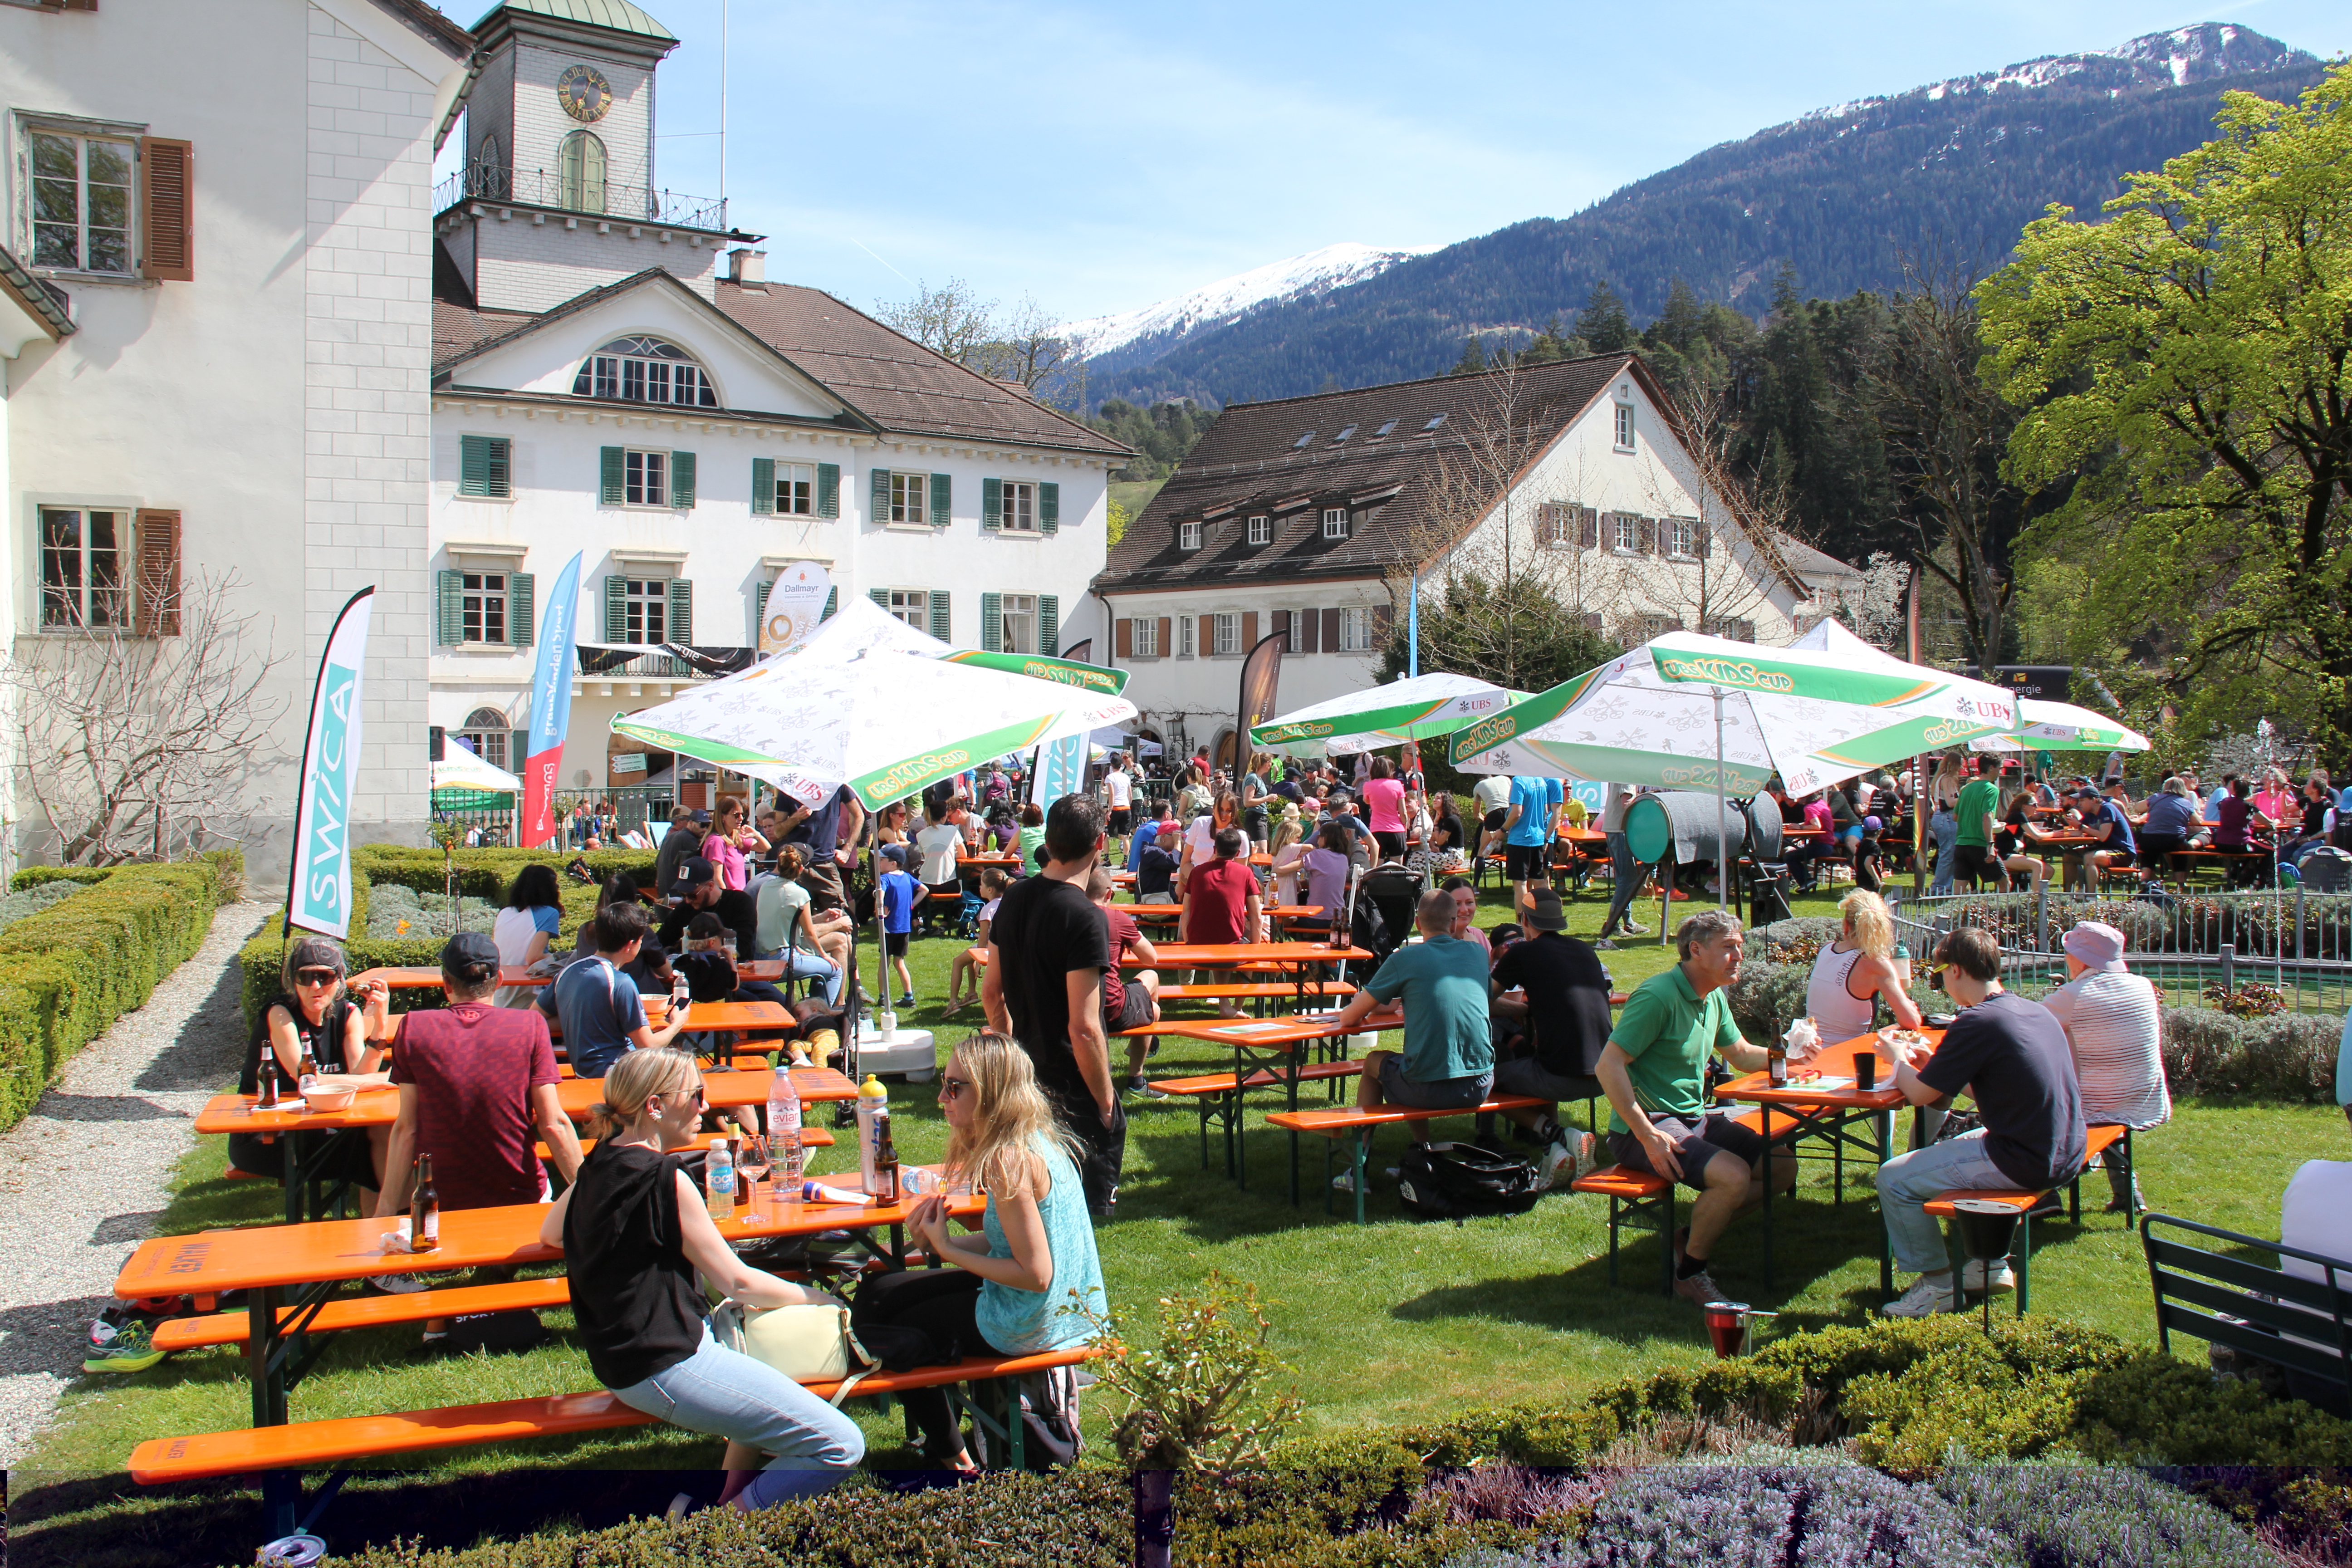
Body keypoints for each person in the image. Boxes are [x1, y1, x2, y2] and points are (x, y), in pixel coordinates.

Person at [540, 1048, 863, 1507]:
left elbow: (551, 1233)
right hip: (667, 1362)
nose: (705, 1107)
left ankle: (727, 1495)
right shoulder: (665, 1179)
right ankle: (720, 1525)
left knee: (768, 1360)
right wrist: (817, 1298)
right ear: (655, 1106)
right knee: (841, 1445)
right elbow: (738, 1283)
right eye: (695, 1095)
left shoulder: (599, 1162)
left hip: (625, 1360)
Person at [885, 1032, 1107, 1470]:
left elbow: (1035, 1274)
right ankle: (952, 1446)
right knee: (881, 1293)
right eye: (944, 1084)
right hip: (1056, 1309)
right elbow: (1008, 1240)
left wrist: (947, 1248)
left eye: (954, 1087)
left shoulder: (1009, 1161)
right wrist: (939, 1243)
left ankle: (956, 1460)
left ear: (990, 1092)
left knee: (894, 1331)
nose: (941, 1098)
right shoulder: (1035, 1139)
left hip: (1027, 1322)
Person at [1875, 927, 2087, 1316]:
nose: (1939, 982)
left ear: (1955, 970)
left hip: (2025, 1158)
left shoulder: (1976, 1021)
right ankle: (1986, 1266)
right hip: (2066, 1149)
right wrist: (1934, 1068)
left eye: (1938, 973)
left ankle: (1939, 1286)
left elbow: (1919, 1096)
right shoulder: (2032, 1010)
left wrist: (1897, 1059)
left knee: (1894, 1179)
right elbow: (1998, 1085)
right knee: (1947, 1151)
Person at [376, 933, 586, 1309]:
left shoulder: (413, 1027)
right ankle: (500, 1272)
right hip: (520, 1194)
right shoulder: (530, 1027)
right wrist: (595, 1196)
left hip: (442, 1202)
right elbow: (553, 1124)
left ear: (446, 983)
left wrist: (382, 1216)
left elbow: (407, 1128)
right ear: (500, 979)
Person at [1597, 909, 1796, 1306]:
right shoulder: (1657, 996)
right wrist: (1646, 1135)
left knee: (1781, 1166)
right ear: (1696, 950)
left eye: (1740, 947)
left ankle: (1687, 1239)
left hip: (1694, 1117)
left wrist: (1793, 1054)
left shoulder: (1714, 996)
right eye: (1729, 947)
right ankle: (1689, 1273)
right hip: (1644, 1129)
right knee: (1733, 1177)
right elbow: (1608, 1065)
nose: (1739, 956)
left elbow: (1741, 1054)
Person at [984, 794, 1123, 1216]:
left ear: (1047, 840)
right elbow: (1084, 1027)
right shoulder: (1085, 916)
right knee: (1074, 1215)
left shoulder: (1014, 898)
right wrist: (1106, 1102)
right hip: (1071, 1081)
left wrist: (1011, 1056)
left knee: (1034, 1202)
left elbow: (992, 992)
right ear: (1100, 842)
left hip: (1026, 1073)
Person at [1324, 891, 1493, 1169]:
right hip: (1481, 1083)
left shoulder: (1405, 958)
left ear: (1417, 923)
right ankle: (1423, 1154)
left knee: (1374, 1062)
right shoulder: (1477, 952)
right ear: (1453, 922)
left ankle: (1358, 1168)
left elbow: (1350, 1018)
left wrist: (1361, 1006)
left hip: (1428, 1088)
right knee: (1415, 1063)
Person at [231, 939, 392, 1202]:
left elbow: (362, 1074)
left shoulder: (347, 1013)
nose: (315, 987)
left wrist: (381, 1023)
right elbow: (308, 1081)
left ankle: (386, 1218)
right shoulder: (280, 1013)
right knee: (381, 1148)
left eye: (324, 977)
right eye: (305, 977)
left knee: (386, 1136)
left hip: (320, 1125)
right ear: (293, 981)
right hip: (266, 1134)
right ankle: (392, 1215)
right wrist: (380, 1081)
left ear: (339, 980)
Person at [2038, 920, 2168, 1213]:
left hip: (2098, 1099)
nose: (2066, 959)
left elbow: (2029, 1025)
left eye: (2068, 953)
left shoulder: (2076, 995)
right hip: (2141, 1095)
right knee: (2107, 1105)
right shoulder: (2142, 986)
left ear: (2081, 959)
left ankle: (2045, 1194)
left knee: (2033, 1097)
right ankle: (2128, 1193)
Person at [1489, 889, 1611, 1186]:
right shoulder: (1585, 950)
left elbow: (1482, 999)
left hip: (1559, 1077)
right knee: (1541, 1059)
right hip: (1607, 1076)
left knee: (1485, 1083)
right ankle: (1554, 1151)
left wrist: (1520, 1009)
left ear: (1525, 920)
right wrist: (1530, 1010)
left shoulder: (1523, 953)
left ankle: (1556, 1134)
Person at [540, 902, 689, 1079]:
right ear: (630, 945)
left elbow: (536, 1017)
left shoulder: (567, 972)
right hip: (619, 1079)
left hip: (583, 1073)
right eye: (641, 940)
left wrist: (577, 1018)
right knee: (685, 1069)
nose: (642, 944)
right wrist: (677, 1024)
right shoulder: (621, 983)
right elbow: (648, 1045)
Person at [1803, 891, 1924, 1050]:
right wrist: (1910, 1008)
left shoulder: (1826, 950)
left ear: (1846, 925)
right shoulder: (1876, 964)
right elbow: (1911, 1022)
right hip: (1848, 1056)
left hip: (1809, 1051)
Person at [1089, 868, 1164, 1093]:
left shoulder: (1066, 916)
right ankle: (1136, 1081)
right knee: (1154, 1006)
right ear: (1109, 894)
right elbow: (1151, 958)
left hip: (1073, 1006)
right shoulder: (1116, 918)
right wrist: (1127, 940)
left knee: (1150, 986)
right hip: (1111, 1008)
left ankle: (1148, 1038)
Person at [753, 845, 846, 1004]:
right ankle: (821, 1012)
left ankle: (813, 1007)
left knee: (821, 966)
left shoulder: (765, 887)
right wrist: (823, 955)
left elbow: (784, 921)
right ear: (801, 869)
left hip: (760, 955)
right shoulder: (800, 894)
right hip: (783, 959)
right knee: (836, 970)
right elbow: (809, 934)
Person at [658, 857, 759, 964]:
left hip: (736, 968)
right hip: (695, 970)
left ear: (710, 886)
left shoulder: (739, 902)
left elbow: (742, 946)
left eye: (692, 895)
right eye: (683, 895)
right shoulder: (685, 908)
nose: (687, 900)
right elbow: (661, 940)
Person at [490, 864, 565, 1008]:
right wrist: (559, 958)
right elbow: (534, 957)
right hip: (529, 996)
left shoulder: (505, 913)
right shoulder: (549, 913)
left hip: (500, 995)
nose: (558, 887)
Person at [1184, 826, 1263, 961]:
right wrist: (1255, 954)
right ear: (1238, 853)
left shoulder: (1197, 872)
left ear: (1215, 850)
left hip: (1197, 947)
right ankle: (1247, 975)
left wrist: (1188, 944)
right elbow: (1256, 916)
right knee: (1246, 947)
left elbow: (1186, 911)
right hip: (1232, 947)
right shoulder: (1246, 873)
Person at [946, 867, 1012, 1016]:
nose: (979, 888)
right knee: (970, 954)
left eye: (981, 885)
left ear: (990, 889)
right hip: (1007, 947)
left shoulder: (987, 909)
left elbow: (983, 941)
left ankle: (953, 1002)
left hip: (990, 948)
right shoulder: (1010, 904)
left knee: (958, 962)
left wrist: (979, 963)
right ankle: (971, 993)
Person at [1597, 783, 1652, 946]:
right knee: (1627, 880)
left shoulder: (1624, 774)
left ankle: (1628, 922)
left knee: (1626, 879)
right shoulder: (1628, 777)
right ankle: (1612, 924)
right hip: (1620, 830)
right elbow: (1626, 803)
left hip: (1617, 829)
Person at [1503, 773, 1563, 922]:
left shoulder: (1519, 780)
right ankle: (1547, 919)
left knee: (1520, 884)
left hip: (1520, 839)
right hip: (1538, 837)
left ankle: (1522, 923)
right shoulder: (1541, 781)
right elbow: (1546, 811)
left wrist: (1503, 829)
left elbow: (1516, 813)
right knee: (1540, 881)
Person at [876, 843, 924, 1008]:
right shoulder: (908, 877)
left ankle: (883, 997)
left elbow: (880, 893)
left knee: (885, 962)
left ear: (893, 863)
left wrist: (879, 910)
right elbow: (924, 890)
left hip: (888, 928)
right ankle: (909, 997)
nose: (879, 863)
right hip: (904, 928)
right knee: (899, 962)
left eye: (882, 860)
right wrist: (912, 905)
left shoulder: (885, 879)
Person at [1297, 822, 1353, 933]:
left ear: (1326, 838)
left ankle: (1308, 938)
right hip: (1338, 919)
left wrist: (1277, 869)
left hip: (1315, 919)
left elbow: (1290, 867)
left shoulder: (1317, 855)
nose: (1317, 840)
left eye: (1319, 836)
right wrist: (1305, 881)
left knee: (1289, 917)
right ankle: (1314, 938)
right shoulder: (1343, 859)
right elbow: (1326, 877)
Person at [1954, 764, 2001, 890]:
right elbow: (1987, 816)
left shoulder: (1966, 788)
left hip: (1961, 844)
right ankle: (2005, 905)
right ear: (1991, 768)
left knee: (1959, 887)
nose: (2000, 772)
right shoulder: (1991, 789)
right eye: (1999, 769)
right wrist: (1990, 844)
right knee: (2004, 883)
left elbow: (1955, 816)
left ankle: (1953, 904)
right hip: (1979, 844)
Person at [914, 803, 969, 911]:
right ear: (944, 817)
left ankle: (919, 918)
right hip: (950, 884)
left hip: (927, 884)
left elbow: (927, 856)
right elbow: (964, 854)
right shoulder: (953, 830)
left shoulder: (920, 835)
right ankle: (948, 918)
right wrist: (950, 854)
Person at [706, 798, 766, 892]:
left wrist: (757, 835)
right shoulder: (717, 841)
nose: (741, 818)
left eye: (743, 815)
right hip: (730, 897)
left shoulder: (736, 839)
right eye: (736, 815)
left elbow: (765, 848)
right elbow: (717, 879)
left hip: (740, 896)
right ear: (722, 817)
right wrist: (727, 898)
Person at [654, 808, 711, 902]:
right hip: (677, 896)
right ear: (690, 823)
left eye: (708, 826)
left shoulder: (671, 837)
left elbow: (657, 863)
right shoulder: (688, 839)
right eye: (702, 825)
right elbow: (701, 869)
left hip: (665, 893)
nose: (705, 829)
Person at [1362, 756, 1407, 861]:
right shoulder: (1397, 784)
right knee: (1397, 867)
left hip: (1377, 829)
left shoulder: (1368, 785)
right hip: (1396, 829)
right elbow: (1403, 812)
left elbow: (1366, 801)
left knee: (1377, 867)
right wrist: (1405, 826)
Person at [1442, 875, 1492, 963]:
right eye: (1457, 904)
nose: (1464, 910)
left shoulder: (1478, 935)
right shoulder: (1438, 942)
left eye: (1469, 903)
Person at [1471, 771, 1514, 862]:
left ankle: (1478, 871)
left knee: (1482, 850)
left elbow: (1476, 814)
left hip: (1493, 813)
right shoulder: (1505, 778)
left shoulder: (1479, 786)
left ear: (1480, 780)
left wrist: (1486, 823)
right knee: (1515, 843)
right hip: (1510, 811)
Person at [1136, 820, 1181, 903]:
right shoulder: (1151, 852)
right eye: (1175, 837)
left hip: (1162, 900)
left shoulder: (1159, 852)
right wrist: (1178, 843)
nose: (1180, 841)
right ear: (1163, 837)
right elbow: (1174, 862)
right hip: (1153, 905)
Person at [1102, 754, 1134, 845]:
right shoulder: (1126, 777)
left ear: (1112, 765)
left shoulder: (1110, 777)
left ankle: (1106, 853)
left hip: (1116, 807)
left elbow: (1112, 794)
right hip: (1126, 807)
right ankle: (1126, 854)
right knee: (1125, 836)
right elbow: (1130, 795)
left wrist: (1110, 810)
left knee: (1105, 833)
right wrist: (1129, 804)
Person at [1015, 801, 1048, 872]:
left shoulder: (1022, 832)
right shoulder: (1047, 830)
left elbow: (1006, 854)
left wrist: (1014, 856)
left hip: (1030, 874)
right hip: (1048, 874)